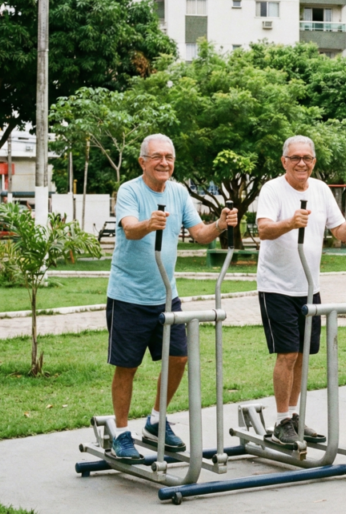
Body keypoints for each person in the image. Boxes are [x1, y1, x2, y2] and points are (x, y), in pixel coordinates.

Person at [106, 134, 238, 461]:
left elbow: (200, 234)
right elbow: (129, 228)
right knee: (127, 366)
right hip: (128, 296)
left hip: (166, 294)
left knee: (179, 358)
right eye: (157, 157)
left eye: (169, 157)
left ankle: (156, 421)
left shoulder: (178, 193)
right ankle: (121, 433)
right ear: (143, 162)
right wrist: (148, 224)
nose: (164, 162)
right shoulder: (130, 191)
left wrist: (220, 224)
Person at [256, 135, 346, 446]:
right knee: (288, 354)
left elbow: (340, 233)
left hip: (309, 287)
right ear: (284, 161)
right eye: (295, 158)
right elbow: (263, 229)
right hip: (276, 286)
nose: (301, 163)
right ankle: (281, 421)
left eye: (307, 158)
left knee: (303, 354)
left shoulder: (320, 190)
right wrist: (290, 223)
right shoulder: (272, 189)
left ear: (314, 161)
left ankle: (294, 416)